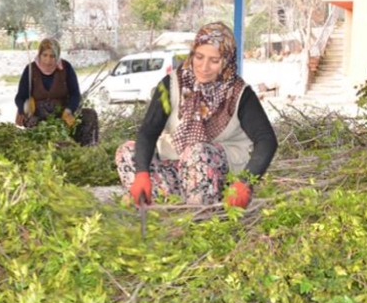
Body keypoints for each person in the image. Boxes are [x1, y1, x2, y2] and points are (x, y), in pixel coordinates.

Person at [115, 22, 278, 209]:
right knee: (127, 151)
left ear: (226, 61)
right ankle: (164, 202)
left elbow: (266, 140)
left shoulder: (239, 93)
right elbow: (148, 132)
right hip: (176, 168)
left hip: (218, 173)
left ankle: (198, 213)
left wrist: (245, 182)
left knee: (197, 151)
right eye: (199, 57)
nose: (204, 67)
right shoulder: (171, 84)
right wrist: (142, 173)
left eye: (214, 61)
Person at [14, 38, 99, 146]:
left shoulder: (66, 68)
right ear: (39, 55)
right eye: (44, 55)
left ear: (57, 56)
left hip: (62, 114)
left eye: (52, 56)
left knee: (89, 115)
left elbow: (75, 94)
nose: (48, 61)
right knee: (40, 131)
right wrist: (23, 108)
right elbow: (20, 97)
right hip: (37, 115)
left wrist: (69, 111)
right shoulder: (30, 70)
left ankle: (85, 150)